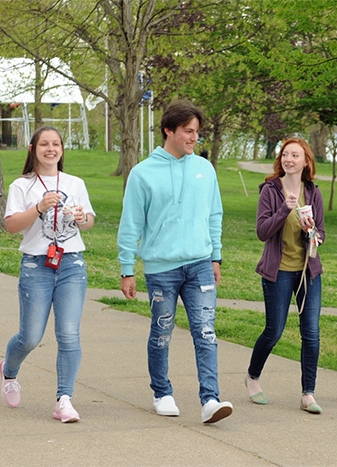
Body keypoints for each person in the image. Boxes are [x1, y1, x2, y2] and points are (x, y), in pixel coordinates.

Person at [118, 100, 233, 424]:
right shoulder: (142, 174)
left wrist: (216, 256)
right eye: (188, 131)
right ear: (169, 130)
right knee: (162, 331)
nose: (194, 137)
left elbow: (214, 215)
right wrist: (127, 269)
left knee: (206, 332)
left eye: (197, 132)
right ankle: (161, 392)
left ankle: (210, 399)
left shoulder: (204, 169)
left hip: (199, 264)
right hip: (161, 268)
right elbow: (130, 225)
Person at [0, 126, 95, 423]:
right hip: (36, 266)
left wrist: (81, 218)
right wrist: (39, 207)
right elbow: (12, 226)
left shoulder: (75, 183)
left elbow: (89, 222)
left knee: (68, 334)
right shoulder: (22, 186)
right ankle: (9, 371)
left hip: (71, 265)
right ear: (33, 149)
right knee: (30, 337)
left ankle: (63, 400)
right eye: (44, 144)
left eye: (55, 144)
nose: (50, 149)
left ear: (62, 149)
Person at [245, 137, 325, 414]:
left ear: (306, 162)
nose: (289, 159)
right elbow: (262, 232)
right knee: (274, 330)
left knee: (311, 334)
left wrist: (310, 230)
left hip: (308, 273)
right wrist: (284, 210)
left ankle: (308, 394)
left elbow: (321, 236)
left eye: (295, 155)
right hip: (277, 272)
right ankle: (253, 378)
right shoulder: (270, 191)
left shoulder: (313, 192)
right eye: (285, 155)